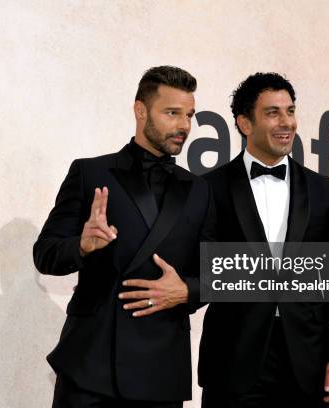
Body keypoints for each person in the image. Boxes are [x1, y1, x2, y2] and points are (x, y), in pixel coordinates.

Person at [33, 65, 215, 408]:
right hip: (91, 364)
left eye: (189, 115)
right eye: (172, 113)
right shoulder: (90, 172)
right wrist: (82, 246)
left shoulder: (200, 190)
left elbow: (216, 272)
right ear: (140, 110)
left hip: (161, 369)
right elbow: (45, 254)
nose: (184, 126)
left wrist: (186, 290)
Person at [198, 72, 329, 407]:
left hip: (306, 359)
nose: (287, 122)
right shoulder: (209, 188)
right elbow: (202, 268)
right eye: (273, 113)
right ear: (245, 123)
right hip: (233, 359)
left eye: (290, 111)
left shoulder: (323, 190)